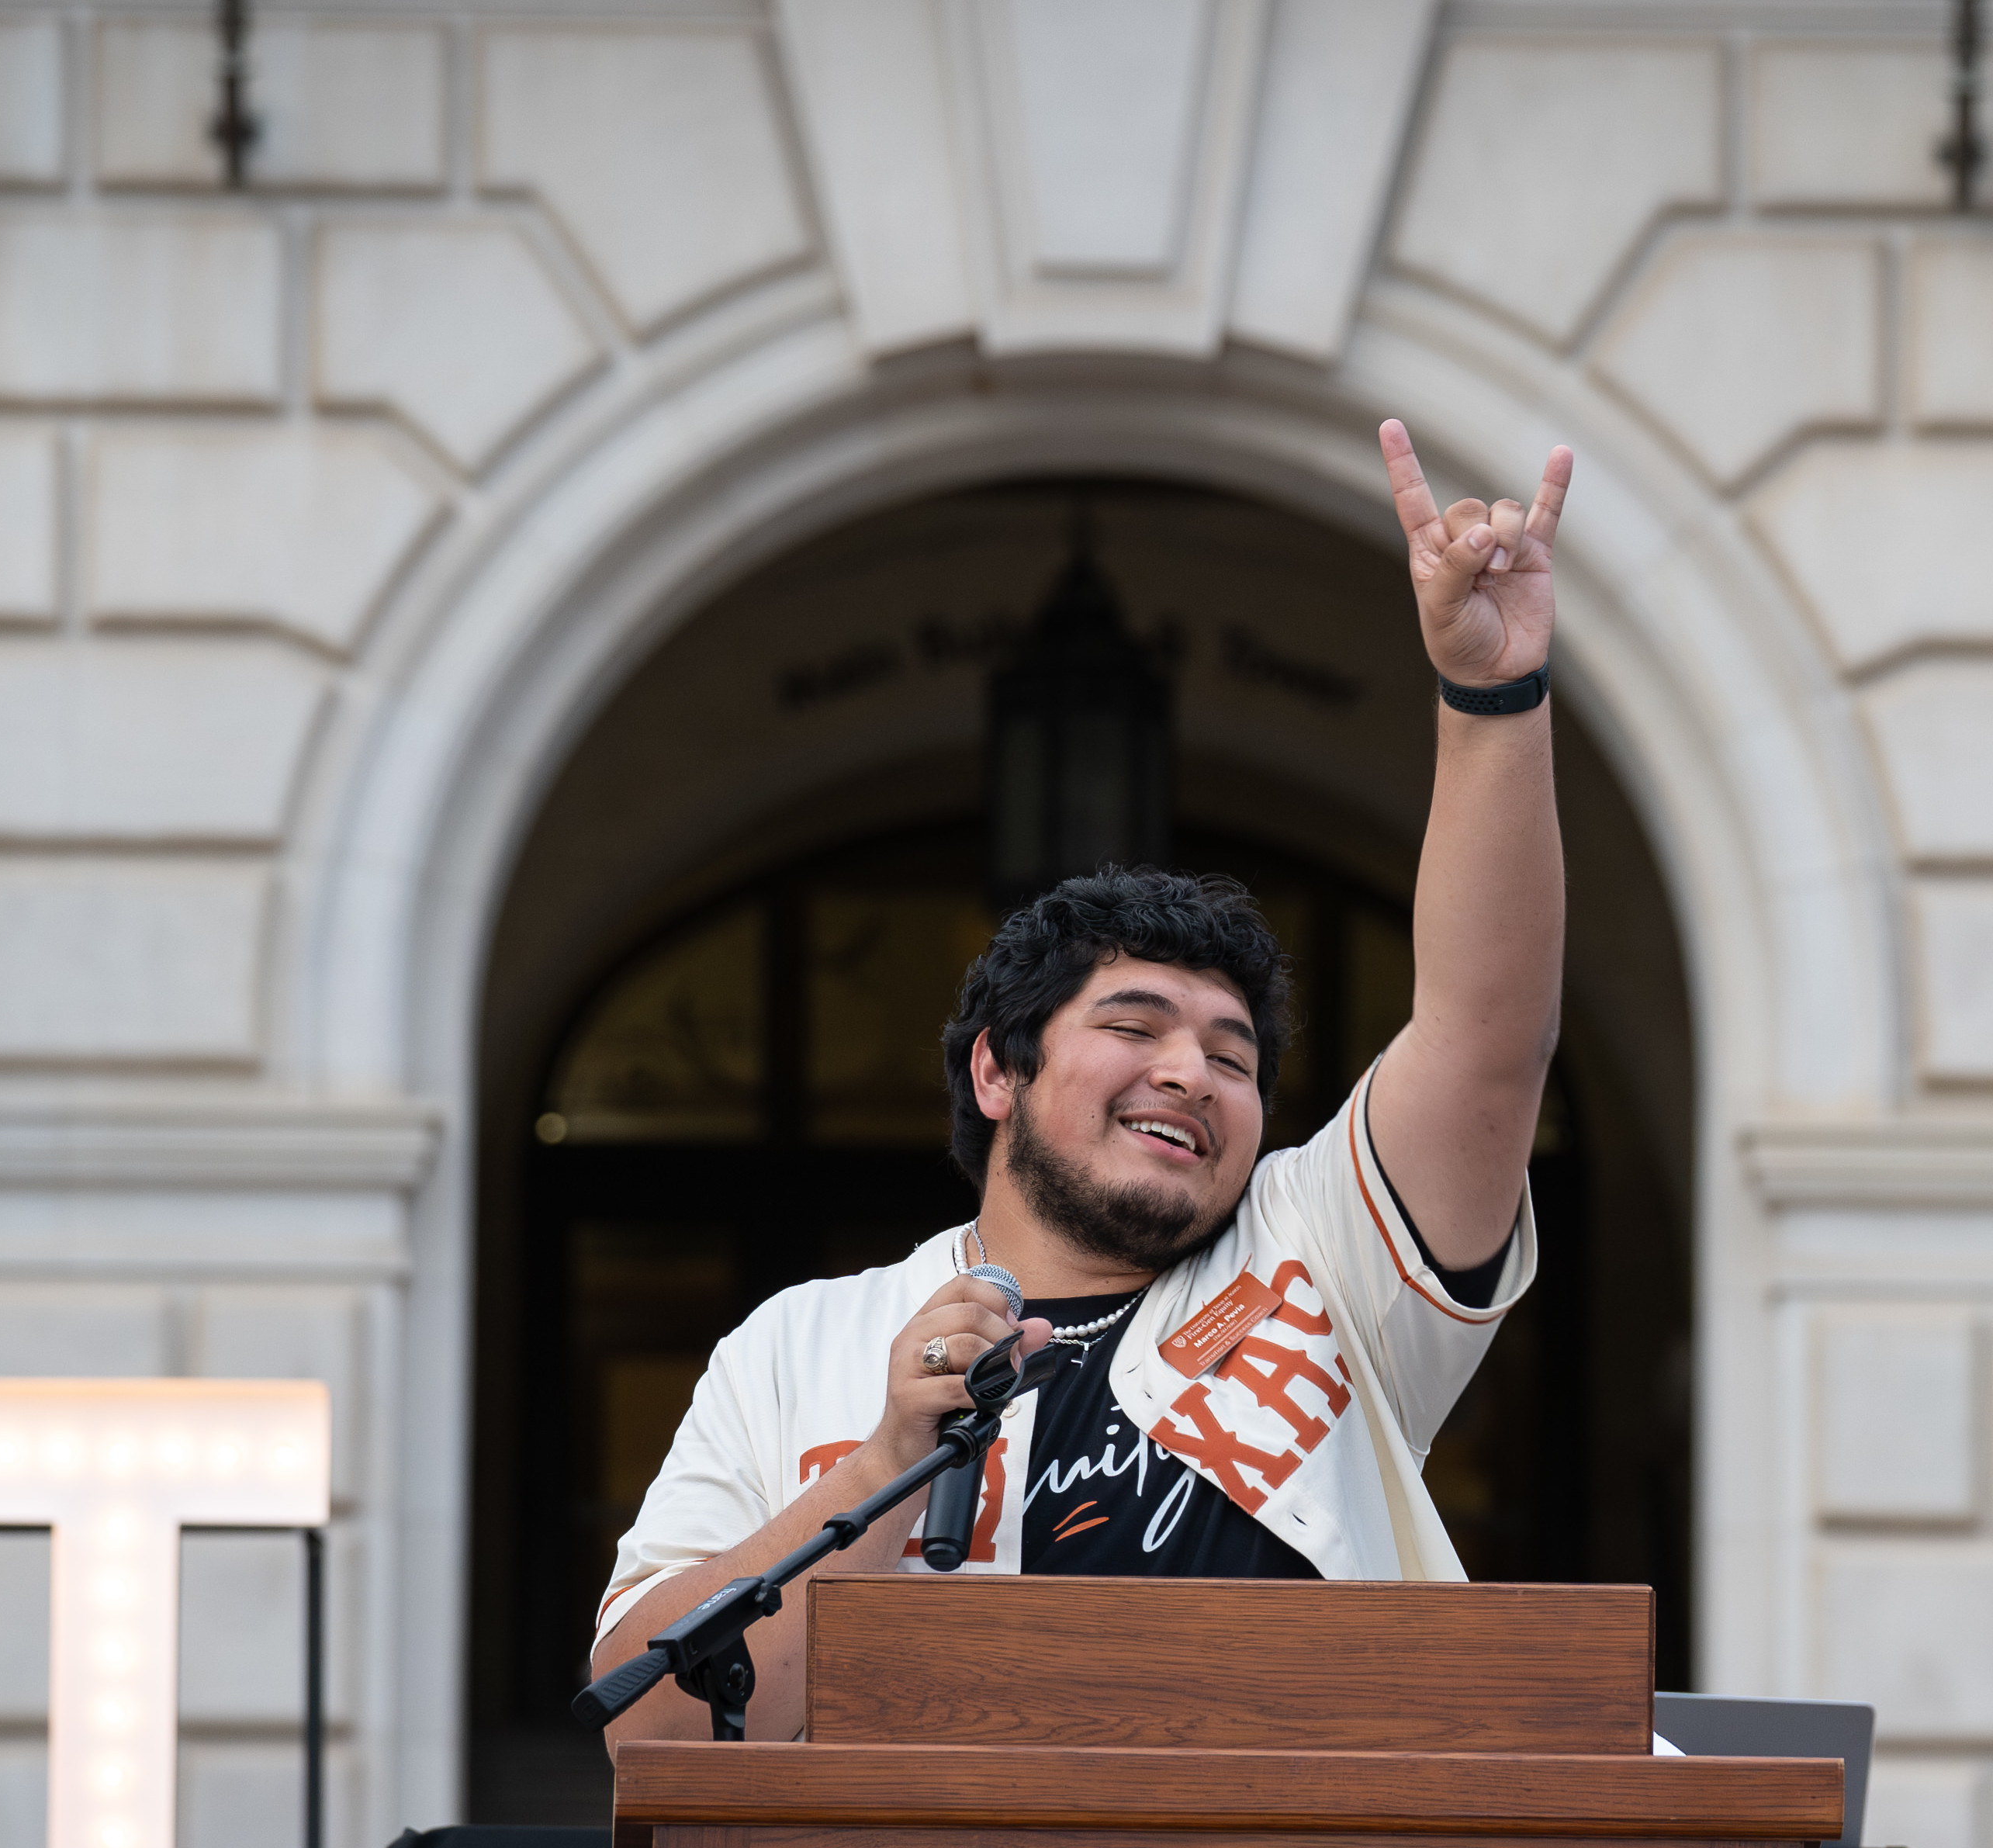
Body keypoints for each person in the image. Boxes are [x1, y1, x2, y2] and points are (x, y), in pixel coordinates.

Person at [593, 421, 1575, 1744]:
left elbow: (1483, 1033)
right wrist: (887, 1463)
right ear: (997, 1067)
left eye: (1233, 1054)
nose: (1193, 1071)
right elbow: (645, 1725)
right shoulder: (800, 1349)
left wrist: (1492, 698)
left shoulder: (1319, 1253)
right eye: (1137, 1025)